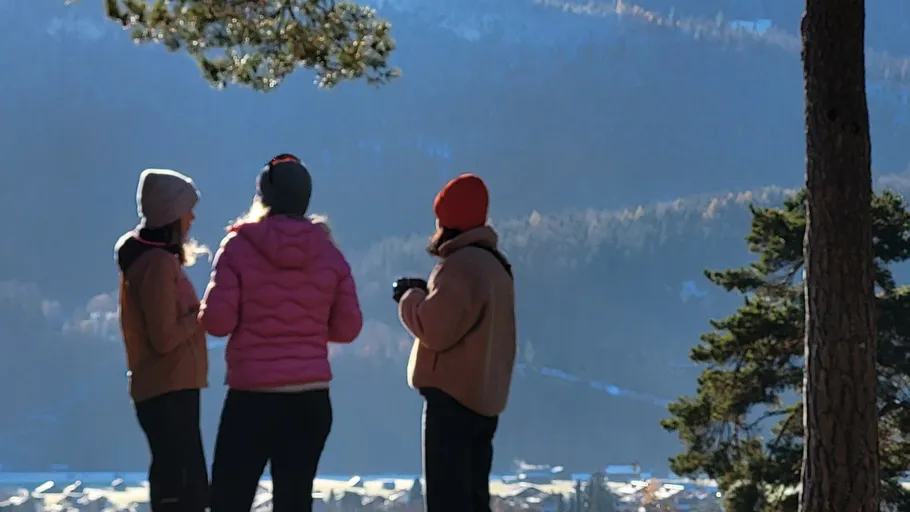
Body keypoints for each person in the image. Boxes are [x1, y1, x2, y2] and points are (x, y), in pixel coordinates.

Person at [199, 154, 364, 512]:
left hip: (252, 397)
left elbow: (217, 322)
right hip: (310, 399)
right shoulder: (329, 252)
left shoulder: (238, 246)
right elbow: (348, 327)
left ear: (263, 196)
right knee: (294, 499)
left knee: (230, 498)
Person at [394, 173, 517, 512]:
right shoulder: (496, 266)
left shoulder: (462, 266)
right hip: (484, 400)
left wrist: (410, 297)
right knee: (474, 498)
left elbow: (434, 329)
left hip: (452, 403)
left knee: (447, 500)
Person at [114, 168, 210, 512]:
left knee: (180, 479)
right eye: (188, 210)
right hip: (168, 389)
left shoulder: (155, 260)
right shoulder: (156, 264)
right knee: (184, 486)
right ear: (171, 214)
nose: (193, 217)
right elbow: (164, 337)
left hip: (168, 387)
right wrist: (200, 314)